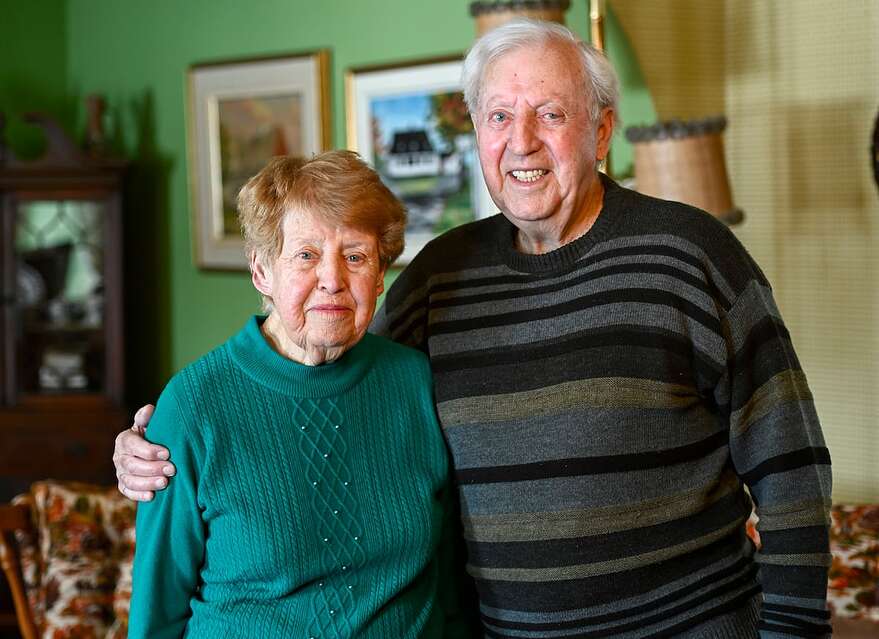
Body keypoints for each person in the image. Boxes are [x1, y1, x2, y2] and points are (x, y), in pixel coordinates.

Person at [116, 19, 833, 639]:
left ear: (601, 130)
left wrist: (794, 630)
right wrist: (152, 444)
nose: (522, 142)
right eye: (498, 116)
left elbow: (791, 465)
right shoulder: (441, 276)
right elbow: (328, 366)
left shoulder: (692, 255)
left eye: (550, 114)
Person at [126, 150, 468, 638]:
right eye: (306, 255)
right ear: (261, 270)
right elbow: (156, 614)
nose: (333, 280)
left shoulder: (415, 382)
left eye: (355, 257)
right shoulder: (193, 406)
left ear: (379, 276)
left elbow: (451, 589)